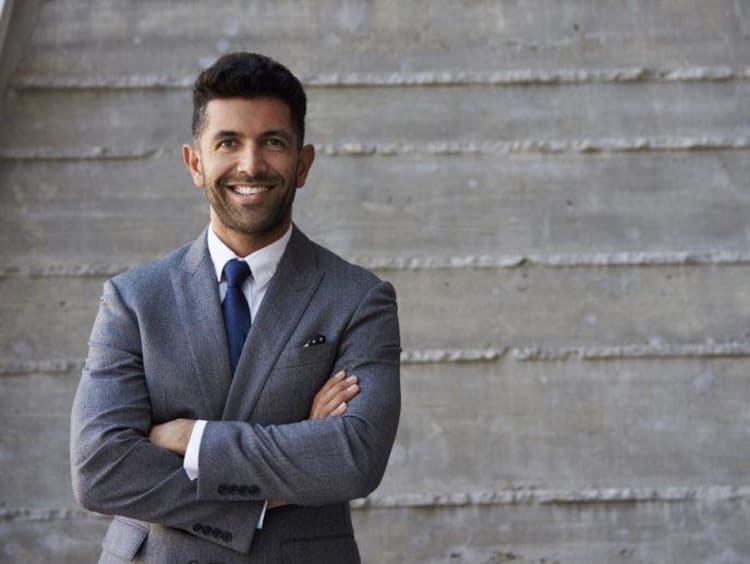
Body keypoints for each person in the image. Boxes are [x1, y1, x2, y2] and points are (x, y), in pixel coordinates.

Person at [70, 52, 401, 563]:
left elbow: (353, 459)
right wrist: (277, 478)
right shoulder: (133, 299)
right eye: (228, 142)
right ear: (195, 163)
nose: (250, 164)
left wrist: (188, 438)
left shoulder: (359, 299)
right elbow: (100, 470)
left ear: (303, 163)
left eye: (273, 142)